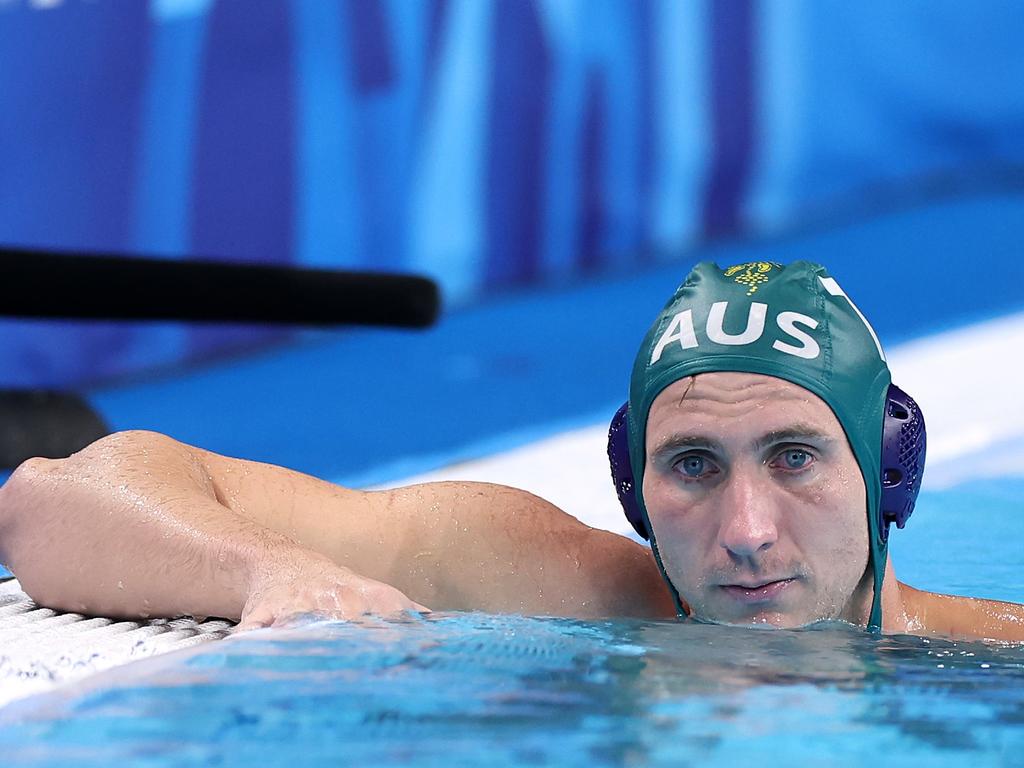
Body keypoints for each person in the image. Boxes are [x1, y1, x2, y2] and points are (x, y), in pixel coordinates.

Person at [0, 260, 1021, 641]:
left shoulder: (990, 664)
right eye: (693, 465)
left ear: (888, 466)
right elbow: (59, 494)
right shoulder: (544, 579)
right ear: (633, 481)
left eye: (794, 457)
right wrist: (263, 566)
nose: (745, 534)